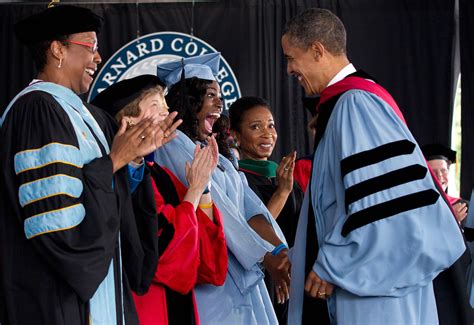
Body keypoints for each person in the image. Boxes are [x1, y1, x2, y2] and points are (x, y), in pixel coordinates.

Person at [281, 8, 471, 325]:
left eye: (291, 57)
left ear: (317, 50)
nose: (289, 69)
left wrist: (335, 264)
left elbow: (384, 206)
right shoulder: (348, 103)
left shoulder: (356, 104)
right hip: (367, 287)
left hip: (372, 292)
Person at [0, 5, 179, 324]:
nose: (98, 58)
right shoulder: (37, 110)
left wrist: (135, 160)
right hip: (58, 299)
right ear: (57, 49)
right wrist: (115, 160)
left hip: (105, 292)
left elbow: (116, 198)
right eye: (91, 47)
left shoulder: (93, 117)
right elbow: (54, 222)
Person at [155, 53, 289, 324]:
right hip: (210, 272)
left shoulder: (217, 149)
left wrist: (279, 251)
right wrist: (264, 254)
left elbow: (250, 207)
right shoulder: (172, 144)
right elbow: (218, 207)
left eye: (220, 95)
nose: (220, 103)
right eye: (210, 95)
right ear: (189, 100)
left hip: (241, 265)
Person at [91, 74, 228, 325]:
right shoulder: (111, 177)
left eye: (165, 104)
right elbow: (165, 257)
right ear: (128, 121)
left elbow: (209, 266)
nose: (167, 113)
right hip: (145, 308)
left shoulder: (161, 176)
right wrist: (194, 191)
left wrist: (203, 189)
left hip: (180, 307)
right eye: (156, 105)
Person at [228, 96, 303, 323]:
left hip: (293, 274)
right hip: (262, 276)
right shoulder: (236, 178)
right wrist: (282, 192)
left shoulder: (280, 174)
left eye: (270, 125)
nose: (267, 133)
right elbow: (250, 227)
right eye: (255, 127)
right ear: (236, 136)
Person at [422, 143, 468, 223]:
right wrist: (450, 220)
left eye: (443, 171)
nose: (439, 176)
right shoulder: (416, 209)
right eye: (433, 172)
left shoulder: (463, 207)